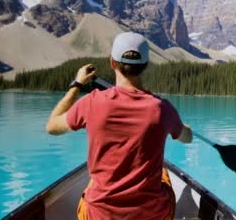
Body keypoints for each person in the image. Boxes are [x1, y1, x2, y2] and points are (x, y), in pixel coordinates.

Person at [45, 31, 193, 220]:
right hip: (152, 216)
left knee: (92, 183)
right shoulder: (162, 109)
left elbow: (52, 126)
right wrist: (183, 126)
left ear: (112, 63)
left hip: (99, 215)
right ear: (145, 65)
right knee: (163, 172)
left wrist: (77, 84)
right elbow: (187, 138)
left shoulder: (91, 102)